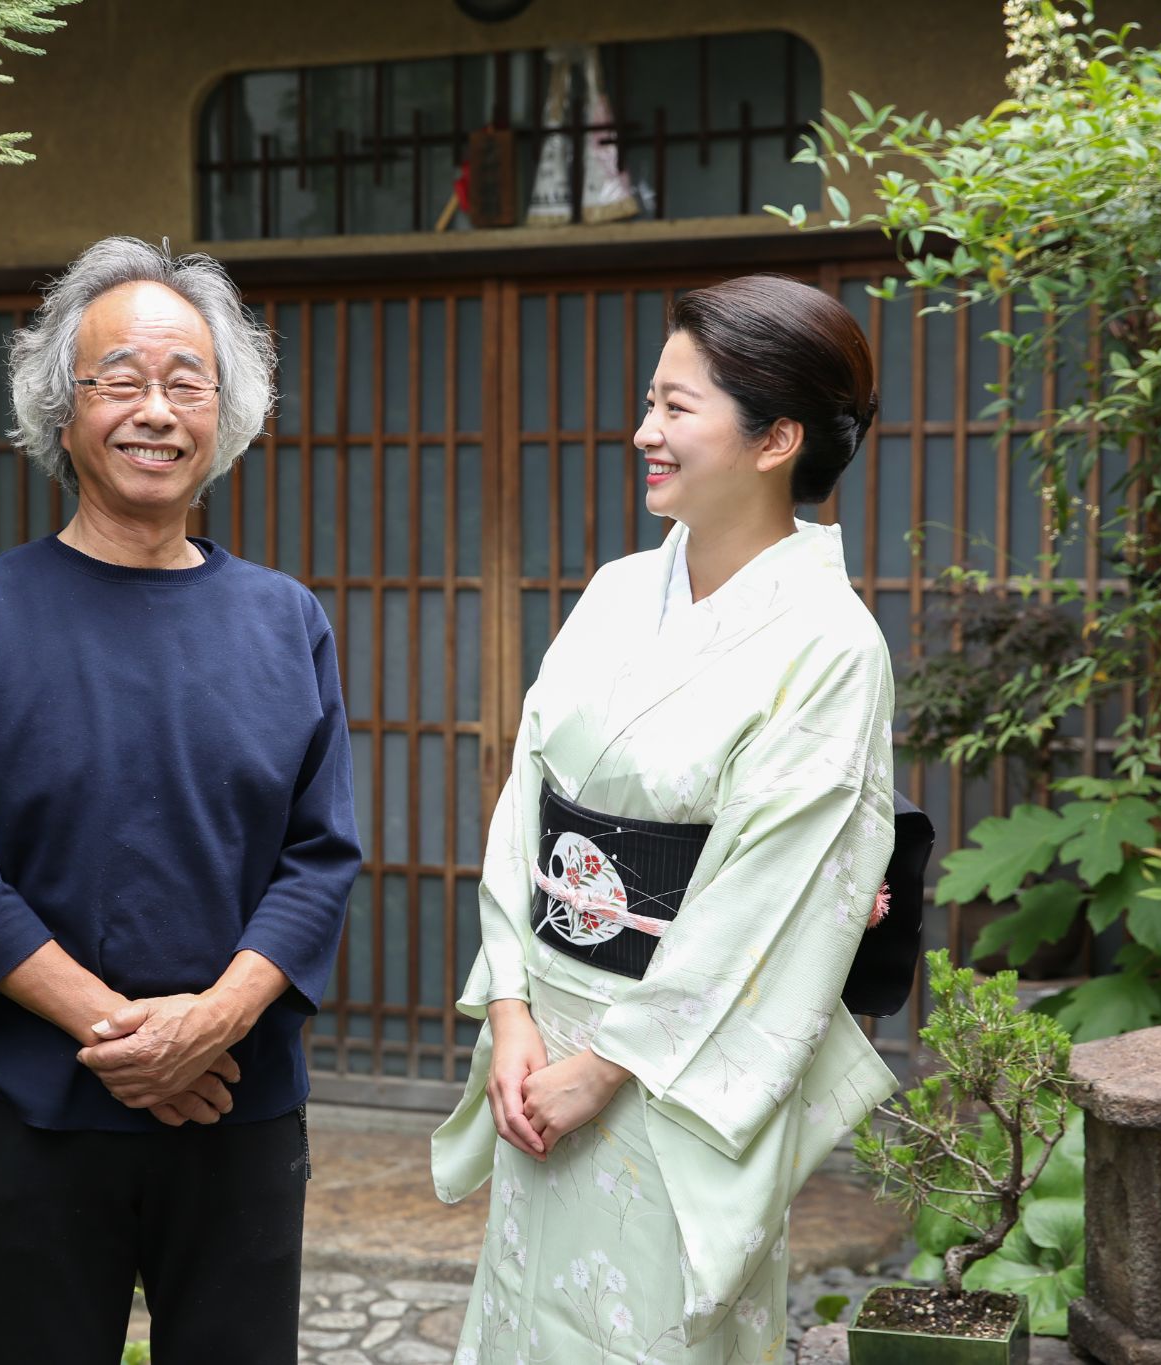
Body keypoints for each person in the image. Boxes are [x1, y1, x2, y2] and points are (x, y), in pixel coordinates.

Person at [0, 236, 360, 1365]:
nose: (155, 411)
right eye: (121, 380)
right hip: (40, 1104)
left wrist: (207, 1027)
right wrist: (129, 1039)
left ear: (225, 415)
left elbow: (319, 857)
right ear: (62, 413)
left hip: (238, 1102)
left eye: (185, 382)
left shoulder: (283, 619)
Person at [430, 274, 898, 1363]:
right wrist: (508, 1008)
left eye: (675, 407)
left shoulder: (829, 644)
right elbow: (527, 801)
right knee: (523, 1318)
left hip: (667, 1064)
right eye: (651, 400)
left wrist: (608, 1067)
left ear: (776, 436)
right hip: (542, 1033)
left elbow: (775, 896)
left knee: (647, 1328)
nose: (643, 430)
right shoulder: (613, 590)